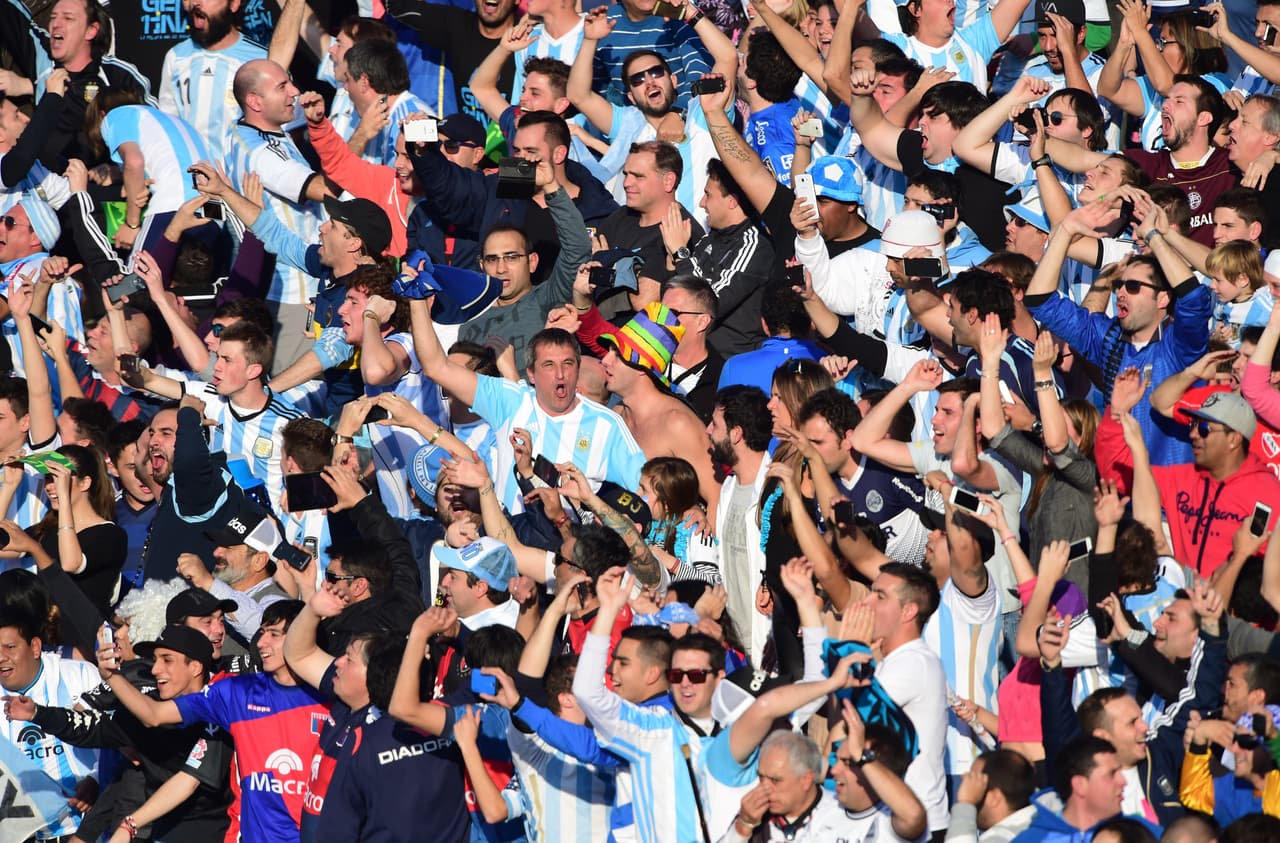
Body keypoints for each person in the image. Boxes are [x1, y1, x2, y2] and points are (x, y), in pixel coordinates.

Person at [97, 600, 328, 843]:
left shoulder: (336, 696)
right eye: (261, 633)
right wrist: (110, 676)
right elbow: (154, 714)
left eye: (274, 634)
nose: (261, 643)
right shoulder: (236, 692)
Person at [7, 624, 234, 843]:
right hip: (159, 830)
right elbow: (87, 728)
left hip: (219, 831)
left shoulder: (222, 708)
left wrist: (129, 825)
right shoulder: (143, 708)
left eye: (167, 660)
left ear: (195, 667)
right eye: (154, 660)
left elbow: (187, 781)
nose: (155, 670)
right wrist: (37, 713)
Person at [855, 560, 949, 836]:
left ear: (909, 611)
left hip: (915, 825)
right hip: (896, 819)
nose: (867, 602)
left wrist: (847, 647)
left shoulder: (913, 663)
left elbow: (850, 717)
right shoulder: (896, 660)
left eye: (880, 596)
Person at [0, 604, 103, 841]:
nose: (1, 657)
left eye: (10, 647)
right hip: (25, 834)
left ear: (35, 647)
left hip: (85, 829)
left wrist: (95, 780)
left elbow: (114, 741)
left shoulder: (79, 675)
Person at [708, 385, 773, 663]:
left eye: (715, 424)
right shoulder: (728, 488)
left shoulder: (775, 489)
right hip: (734, 649)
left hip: (768, 645)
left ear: (736, 434)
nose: (708, 430)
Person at [156, 0, 269, 158]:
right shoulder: (176, 57)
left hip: (240, 180)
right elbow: (168, 124)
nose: (195, 3)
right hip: (191, 177)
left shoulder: (261, 60)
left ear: (234, 3)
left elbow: (284, 130)